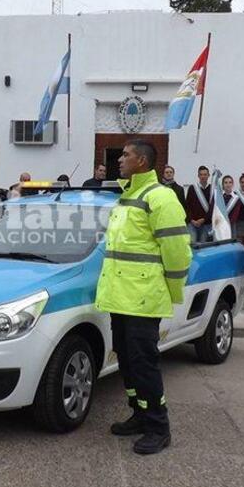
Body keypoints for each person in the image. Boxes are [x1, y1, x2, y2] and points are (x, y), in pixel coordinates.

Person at [95, 139, 191, 456]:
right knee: (126, 360)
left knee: (144, 363)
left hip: (143, 298)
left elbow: (177, 252)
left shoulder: (160, 197)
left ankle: (158, 426)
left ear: (143, 162)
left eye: (125, 155)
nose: (119, 159)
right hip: (121, 297)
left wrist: (172, 291)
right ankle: (139, 413)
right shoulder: (127, 196)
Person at [185, 166, 213, 243]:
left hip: (206, 224)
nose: (203, 176)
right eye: (201, 174)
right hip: (192, 223)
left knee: (203, 246)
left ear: (208, 175)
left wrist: (204, 219)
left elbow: (212, 208)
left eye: (205, 174)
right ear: (198, 176)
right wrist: (191, 219)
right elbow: (187, 206)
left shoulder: (212, 189)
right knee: (192, 244)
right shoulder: (192, 188)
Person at [221, 175, 238, 239]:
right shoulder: (219, 196)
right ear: (222, 184)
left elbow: (235, 213)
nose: (228, 184)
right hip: (220, 224)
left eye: (230, 182)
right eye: (226, 182)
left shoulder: (236, 197)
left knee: (231, 243)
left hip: (231, 224)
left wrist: (227, 223)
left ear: (233, 184)